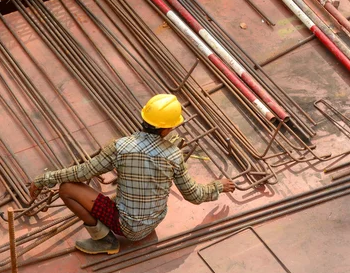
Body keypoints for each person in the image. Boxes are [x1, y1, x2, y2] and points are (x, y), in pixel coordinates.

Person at [28, 94, 236, 255]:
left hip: (125, 226)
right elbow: (193, 195)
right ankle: (109, 236)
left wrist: (44, 179)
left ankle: (104, 240)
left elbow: (83, 172)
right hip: (153, 222)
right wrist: (217, 186)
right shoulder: (173, 155)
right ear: (166, 129)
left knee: (67, 189)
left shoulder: (120, 146)